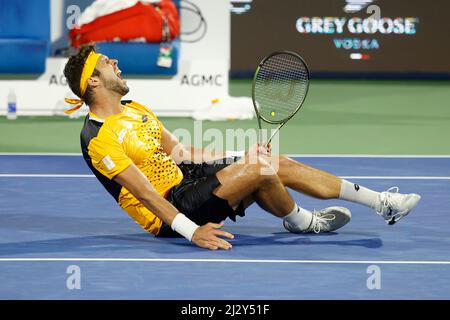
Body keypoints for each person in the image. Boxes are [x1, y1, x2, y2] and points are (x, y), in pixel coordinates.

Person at [63, 45, 421, 250]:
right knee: (260, 173)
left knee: (269, 163)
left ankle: (381, 202)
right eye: (106, 62)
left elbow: (180, 152)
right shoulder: (97, 138)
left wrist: (238, 158)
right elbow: (144, 195)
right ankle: (305, 222)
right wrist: (192, 231)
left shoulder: (135, 110)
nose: (114, 62)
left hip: (186, 179)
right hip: (170, 210)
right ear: (93, 81)